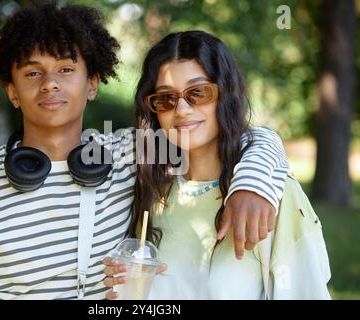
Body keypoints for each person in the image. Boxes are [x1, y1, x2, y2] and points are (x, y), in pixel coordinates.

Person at [0, 4, 289, 300]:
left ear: (93, 84)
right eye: (33, 73)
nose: (50, 83)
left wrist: (251, 188)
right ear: (12, 91)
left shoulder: (132, 153)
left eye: (66, 68)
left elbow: (251, 136)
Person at [103, 31, 331, 300]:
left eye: (198, 93)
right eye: (165, 98)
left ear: (226, 95)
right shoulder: (150, 191)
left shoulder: (270, 194)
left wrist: (252, 187)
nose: (182, 110)